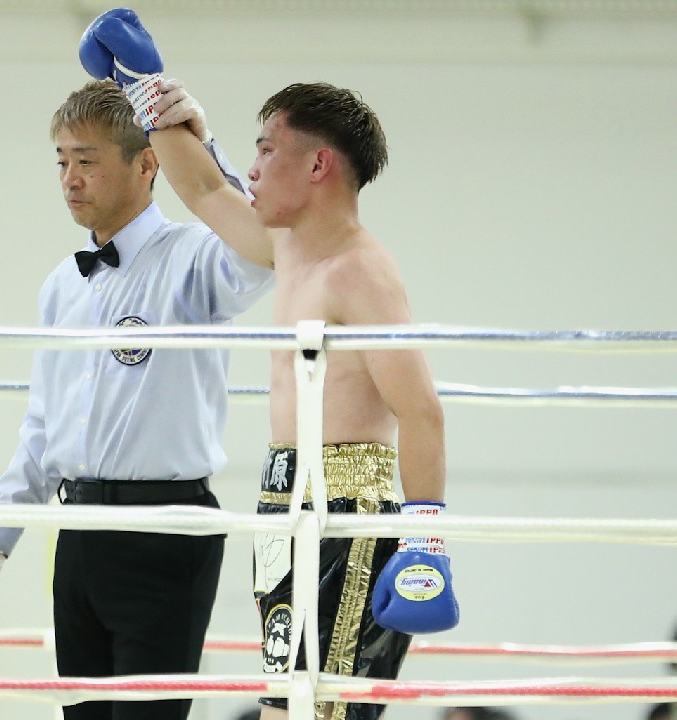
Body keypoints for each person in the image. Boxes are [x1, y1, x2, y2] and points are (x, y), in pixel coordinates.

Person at [77, 9, 459, 720]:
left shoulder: (360, 270)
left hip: (348, 508)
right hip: (284, 495)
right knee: (285, 707)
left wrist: (426, 534)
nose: (251, 168)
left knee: (324, 712)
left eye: (266, 149)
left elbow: (421, 409)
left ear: (317, 165)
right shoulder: (291, 248)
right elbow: (204, 190)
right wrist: (144, 88)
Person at [0, 78, 273, 720]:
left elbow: (262, 252)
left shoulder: (195, 257)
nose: (70, 180)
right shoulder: (61, 285)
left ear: (146, 163)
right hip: (77, 531)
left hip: (166, 529)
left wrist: (201, 142)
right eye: (62, 162)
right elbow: (42, 428)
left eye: (88, 161)